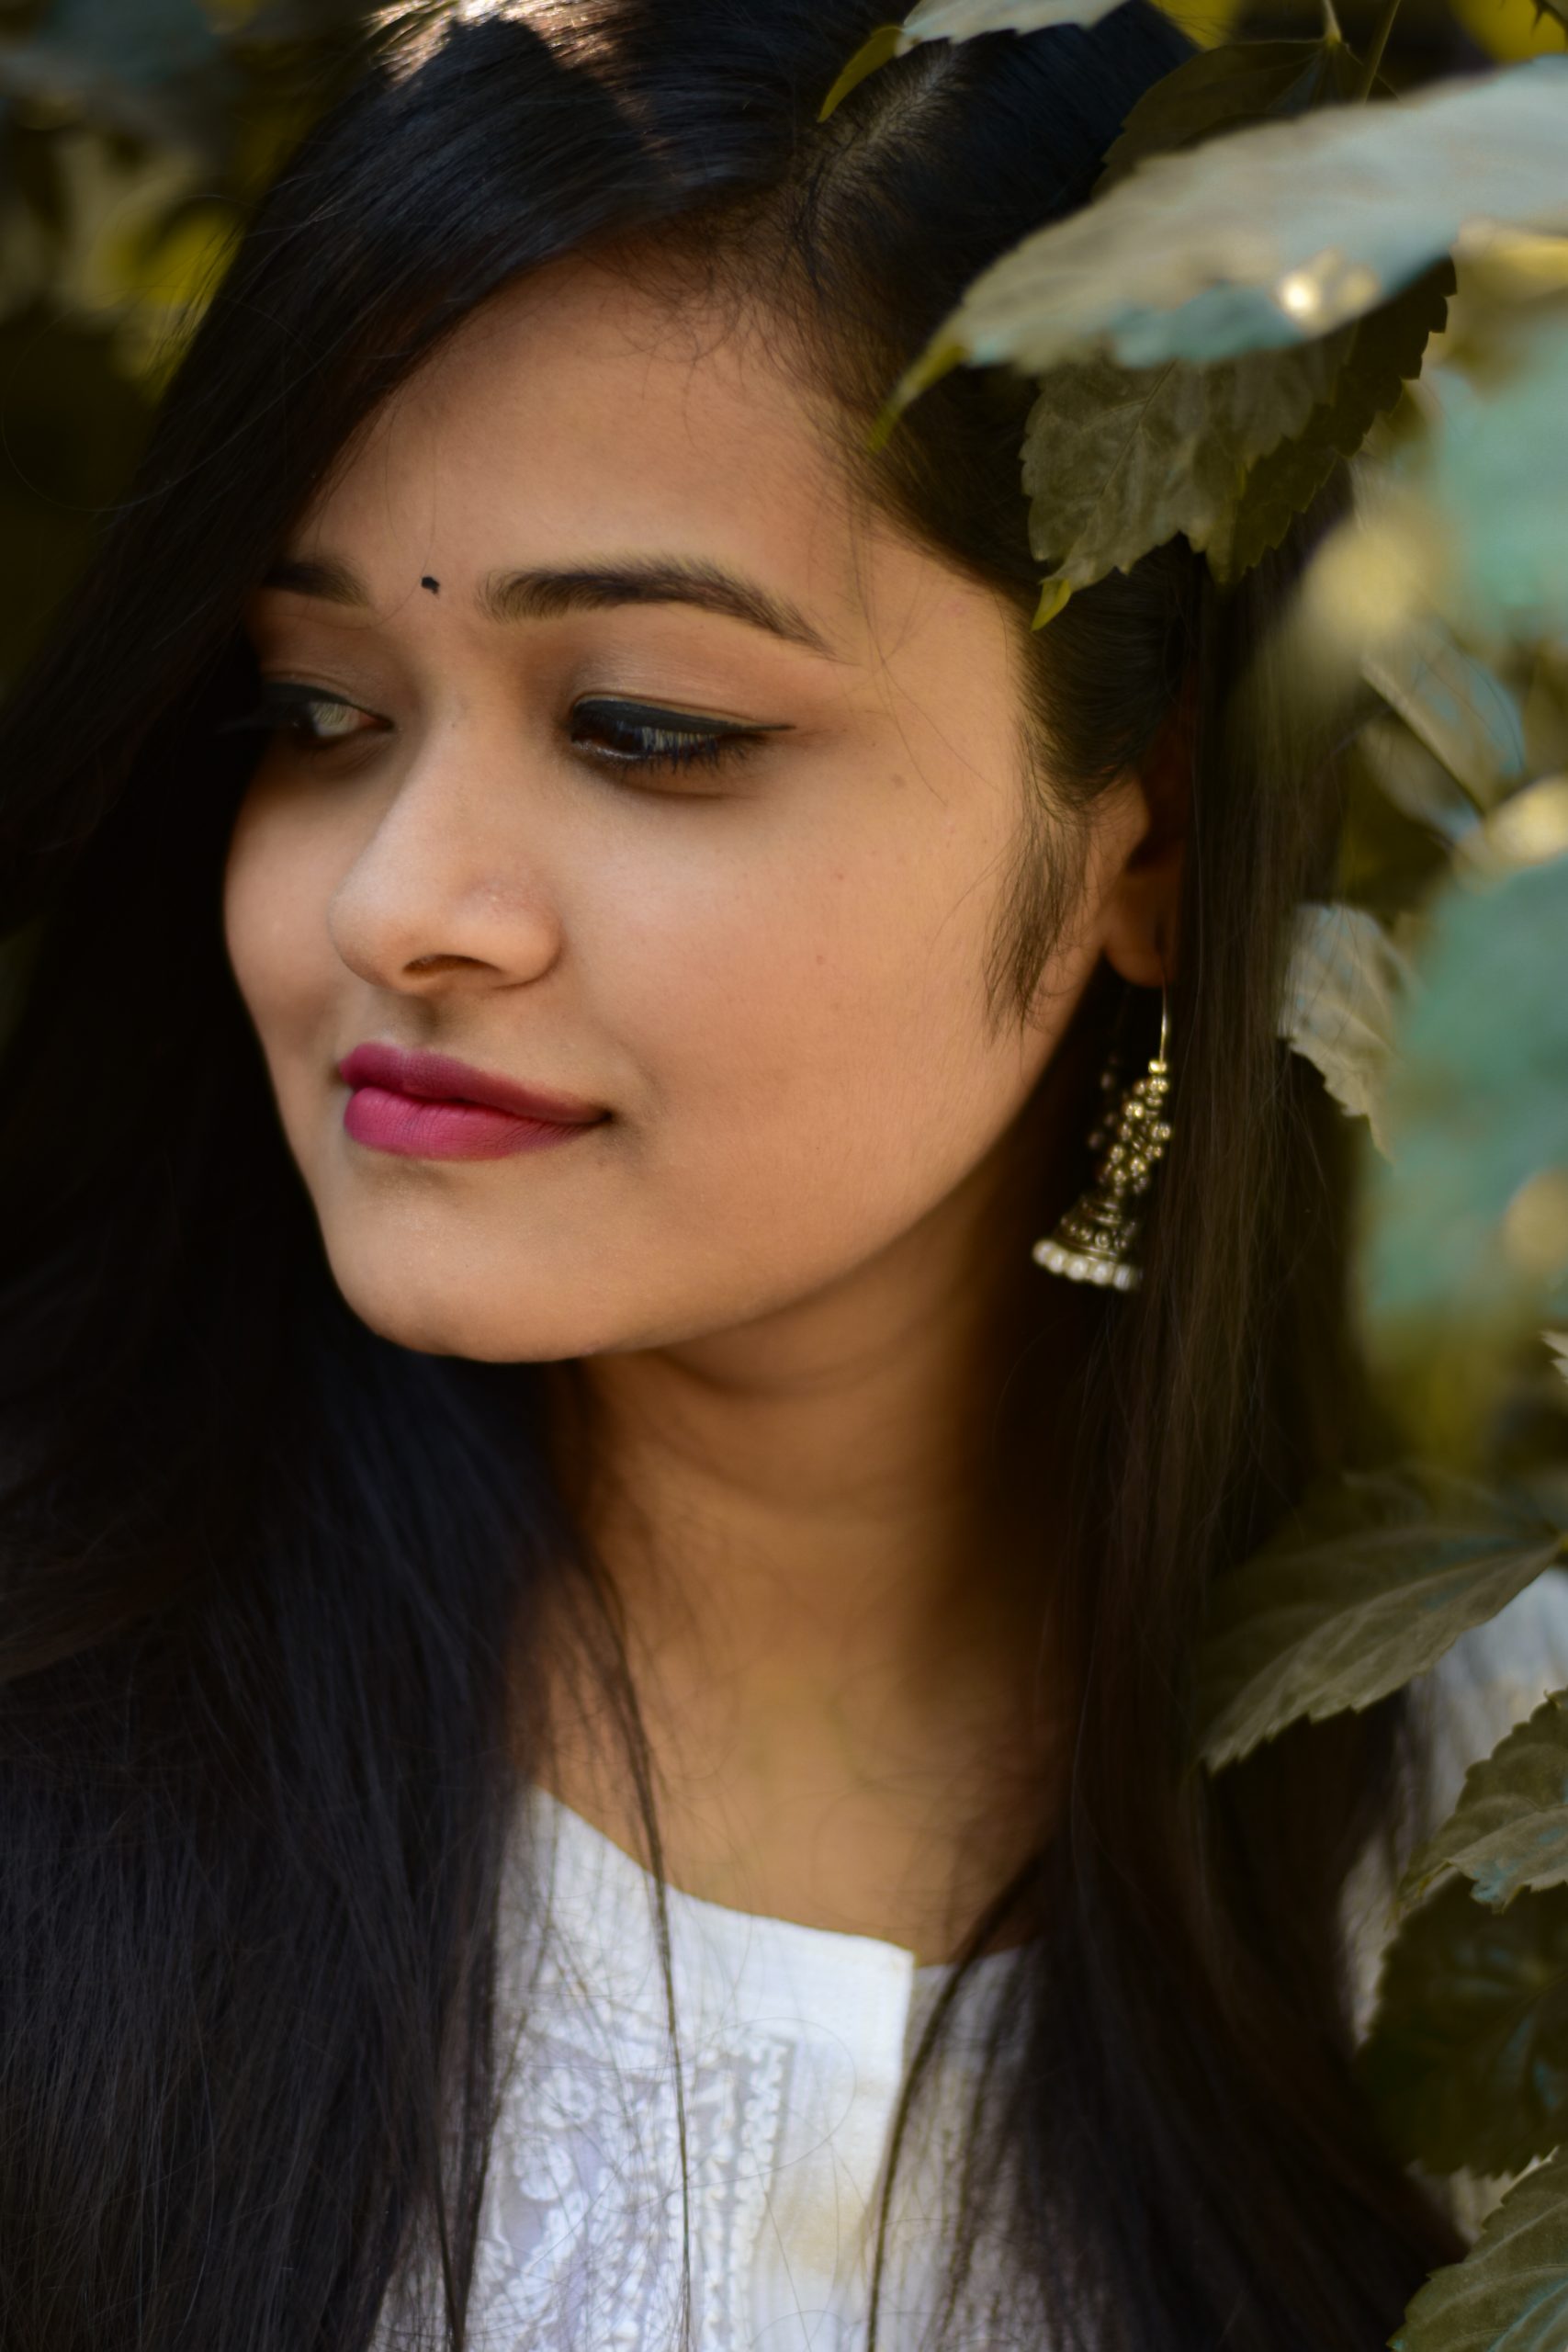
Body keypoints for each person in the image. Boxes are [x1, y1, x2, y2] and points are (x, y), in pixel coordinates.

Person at [1, 2, 1556, 2346]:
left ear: (1146, 828)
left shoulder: (1487, 1828)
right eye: (314, 712)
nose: (393, 899)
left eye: (649, 728)